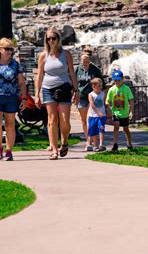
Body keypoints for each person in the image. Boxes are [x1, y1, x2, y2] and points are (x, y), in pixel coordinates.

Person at [35, 28, 78, 160]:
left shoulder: (66, 54)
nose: (51, 41)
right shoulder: (43, 55)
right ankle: (53, 148)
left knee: (64, 121)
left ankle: (64, 141)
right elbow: (39, 75)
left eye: (53, 38)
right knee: (52, 120)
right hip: (48, 88)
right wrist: (37, 94)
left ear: (58, 39)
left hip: (64, 87)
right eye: (48, 38)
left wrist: (76, 90)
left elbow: (71, 72)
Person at [75, 51, 104, 146]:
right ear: (81, 61)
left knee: (89, 119)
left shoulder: (95, 69)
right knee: (84, 120)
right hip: (82, 96)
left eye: (87, 61)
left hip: (92, 96)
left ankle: (90, 140)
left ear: (90, 61)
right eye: (83, 61)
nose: (85, 62)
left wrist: (100, 94)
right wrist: (74, 93)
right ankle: (88, 137)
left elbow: (101, 82)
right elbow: (74, 82)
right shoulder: (78, 69)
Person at [105, 69, 135, 151]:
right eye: (115, 80)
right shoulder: (111, 89)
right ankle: (115, 144)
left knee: (126, 129)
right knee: (116, 126)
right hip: (116, 112)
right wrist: (108, 106)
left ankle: (129, 143)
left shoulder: (126, 88)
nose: (117, 82)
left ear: (122, 79)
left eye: (119, 80)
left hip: (125, 113)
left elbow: (131, 100)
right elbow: (107, 100)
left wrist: (131, 111)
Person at [86, 77, 107, 152]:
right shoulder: (91, 95)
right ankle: (95, 145)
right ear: (93, 86)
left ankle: (101, 145)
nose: (100, 87)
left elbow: (104, 103)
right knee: (93, 131)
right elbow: (92, 105)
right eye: (99, 86)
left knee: (101, 129)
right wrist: (98, 113)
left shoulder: (103, 94)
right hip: (93, 116)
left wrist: (107, 110)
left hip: (102, 116)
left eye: (101, 86)